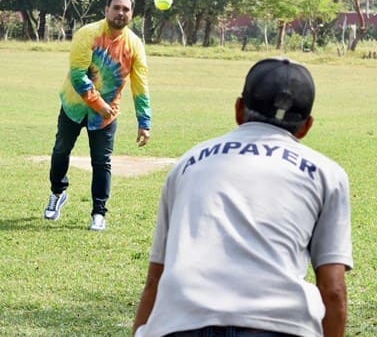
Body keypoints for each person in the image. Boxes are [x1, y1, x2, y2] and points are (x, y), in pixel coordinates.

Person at [133, 58, 353, 337]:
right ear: (306, 126)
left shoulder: (188, 163)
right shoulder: (327, 174)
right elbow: (332, 290)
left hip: (181, 324)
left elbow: (156, 278)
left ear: (239, 109)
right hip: (281, 327)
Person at [44, 0, 152, 231]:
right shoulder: (88, 34)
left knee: (102, 162)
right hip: (74, 106)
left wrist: (144, 122)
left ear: (132, 14)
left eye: (126, 9)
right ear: (106, 10)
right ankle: (58, 192)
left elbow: (140, 85)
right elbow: (77, 74)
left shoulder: (134, 45)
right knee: (61, 151)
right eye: (116, 8)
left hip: (106, 115)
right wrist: (98, 103)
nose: (120, 13)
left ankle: (99, 212)